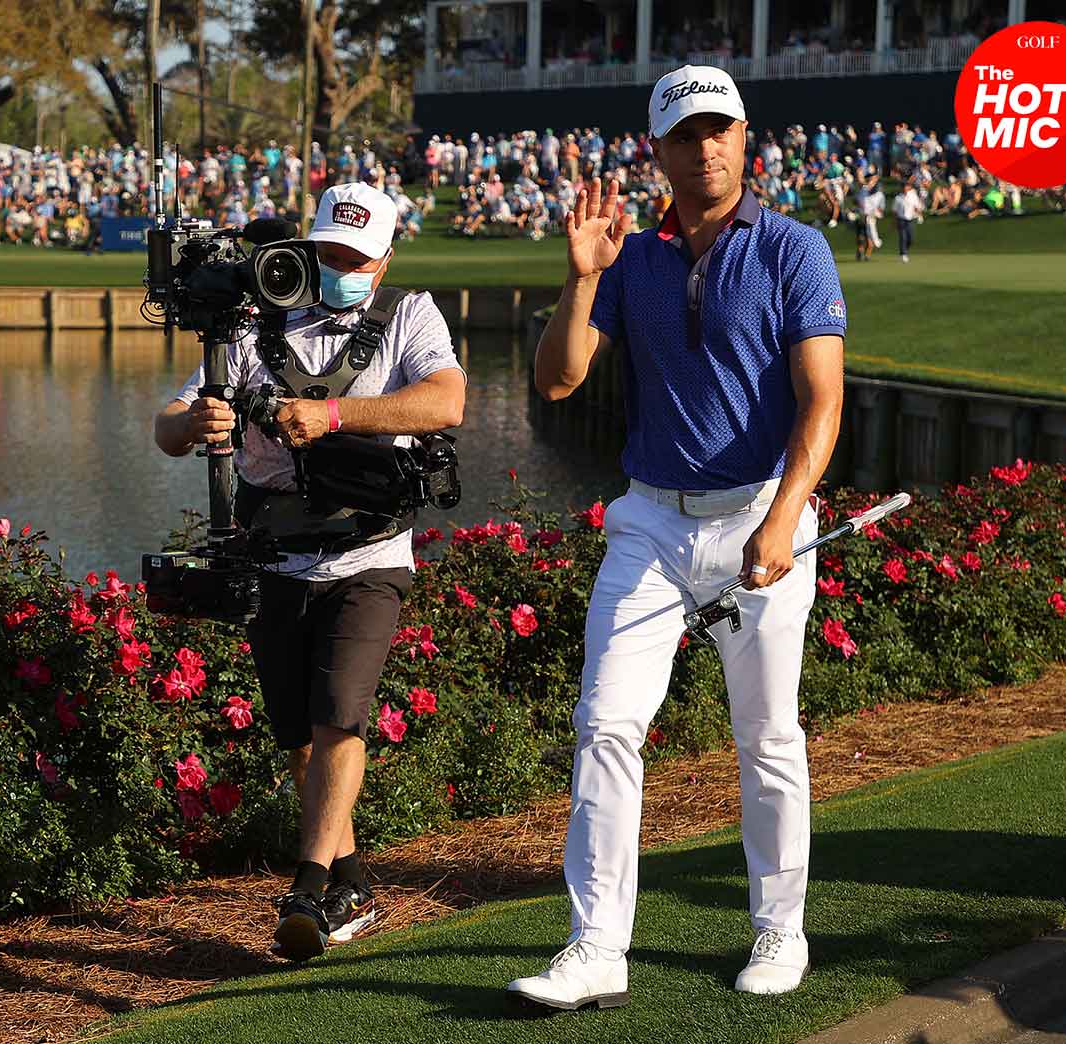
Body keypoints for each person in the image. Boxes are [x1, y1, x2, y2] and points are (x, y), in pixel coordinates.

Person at [514, 63, 847, 1010]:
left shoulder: (795, 249)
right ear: (656, 151)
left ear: (745, 138)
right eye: (684, 133)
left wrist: (785, 517)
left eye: (719, 129)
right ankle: (595, 947)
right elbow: (558, 381)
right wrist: (580, 281)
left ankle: (781, 929)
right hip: (651, 522)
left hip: (759, 515)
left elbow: (821, 406)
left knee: (767, 736)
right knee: (606, 724)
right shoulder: (631, 258)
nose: (704, 146)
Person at [151, 183, 466, 963]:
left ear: (386, 257)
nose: (338, 269)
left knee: (338, 719)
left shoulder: (410, 316)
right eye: (326, 254)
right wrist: (194, 424)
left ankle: (308, 888)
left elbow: (447, 401)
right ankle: (353, 880)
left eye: (356, 258)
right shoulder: (254, 324)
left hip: (370, 555)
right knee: (298, 736)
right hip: (276, 557)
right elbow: (165, 429)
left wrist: (333, 416)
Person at [892, 180, 923, 262]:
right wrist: (894, 222)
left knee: (911, 239)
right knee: (903, 237)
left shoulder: (913, 196)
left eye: (907, 186)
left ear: (909, 187)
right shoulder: (898, 198)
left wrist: (918, 212)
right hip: (901, 219)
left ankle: (905, 250)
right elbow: (895, 211)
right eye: (904, 187)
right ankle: (903, 254)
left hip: (910, 219)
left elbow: (918, 207)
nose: (905, 188)